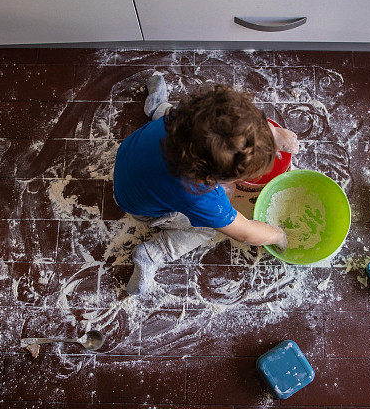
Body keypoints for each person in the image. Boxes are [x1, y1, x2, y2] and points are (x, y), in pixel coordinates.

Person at [112, 72, 299, 295]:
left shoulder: (192, 117)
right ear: (218, 178)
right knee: (206, 228)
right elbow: (245, 232)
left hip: (131, 156)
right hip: (139, 207)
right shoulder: (199, 196)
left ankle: (157, 108)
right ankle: (154, 253)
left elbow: (235, 125)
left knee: (168, 115)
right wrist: (278, 235)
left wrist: (274, 134)